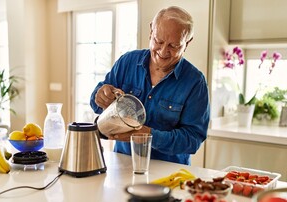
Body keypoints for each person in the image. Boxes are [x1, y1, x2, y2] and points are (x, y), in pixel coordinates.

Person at [90, 6, 210, 165]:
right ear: (150, 31)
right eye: (158, 41)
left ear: (187, 42)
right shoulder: (127, 62)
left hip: (168, 172)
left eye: (173, 46)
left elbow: (192, 139)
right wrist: (101, 96)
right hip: (122, 165)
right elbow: (95, 102)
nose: (163, 51)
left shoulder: (195, 82)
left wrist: (149, 136)